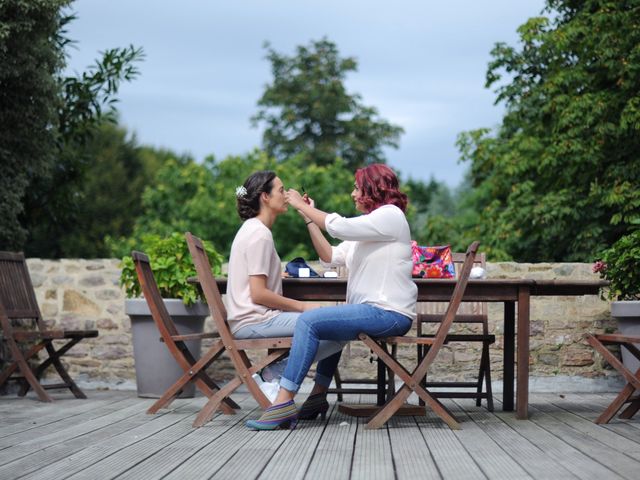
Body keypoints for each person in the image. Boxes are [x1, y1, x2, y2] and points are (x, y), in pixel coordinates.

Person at [246, 164, 418, 430]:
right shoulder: (370, 228)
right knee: (329, 325)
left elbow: (338, 227)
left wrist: (301, 205)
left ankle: (282, 401)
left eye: (357, 188)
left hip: (388, 312)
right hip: (373, 311)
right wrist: (308, 218)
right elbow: (330, 256)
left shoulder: (390, 216)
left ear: (372, 189)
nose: (352, 194)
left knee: (310, 321)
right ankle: (317, 396)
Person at [227, 170, 344, 395]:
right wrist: (302, 306)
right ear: (265, 197)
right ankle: (271, 374)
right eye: (281, 190)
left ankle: (309, 392)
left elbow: (253, 279)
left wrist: (274, 276)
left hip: (251, 318)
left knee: (335, 322)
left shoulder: (253, 230)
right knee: (338, 327)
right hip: (254, 321)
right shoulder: (259, 234)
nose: (286, 194)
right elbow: (258, 294)